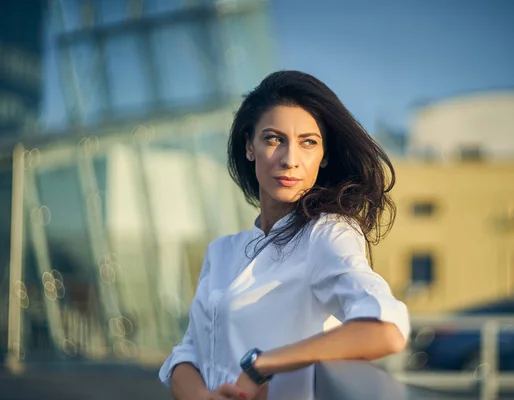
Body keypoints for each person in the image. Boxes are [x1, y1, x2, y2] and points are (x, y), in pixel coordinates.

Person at [159, 70, 411, 400]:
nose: (290, 160)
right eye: (274, 139)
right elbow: (187, 353)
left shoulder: (327, 234)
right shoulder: (221, 251)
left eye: (308, 142)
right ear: (250, 146)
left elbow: (386, 329)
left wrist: (262, 365)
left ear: (324, 157)